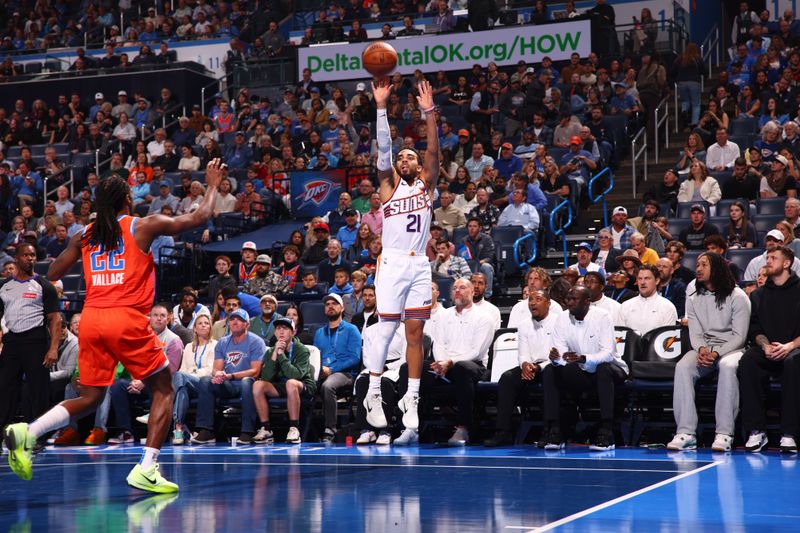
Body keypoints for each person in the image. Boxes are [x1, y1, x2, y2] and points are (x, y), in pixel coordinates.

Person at [5, 161, 223, 492]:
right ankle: (148, 466)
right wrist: (210, 185)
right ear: (127, 200)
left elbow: (51, 275)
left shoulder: (85, 235)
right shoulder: (142, 226)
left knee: (91, 397)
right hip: (126, 318)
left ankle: (29, 432)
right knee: (165, 387)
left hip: (91, 320)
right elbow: (197, 218)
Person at [363, 78, 440, 445]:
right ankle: (373, 390)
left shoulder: (427, 184)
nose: (405, 159)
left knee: (415, 334)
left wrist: (429, 114)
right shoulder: (388, 186)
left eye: (412, 156)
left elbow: (434, 154)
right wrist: (381, 106)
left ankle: (412, 395)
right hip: (392, 263)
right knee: (386, 329)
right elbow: (383, 148)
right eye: (401, 157)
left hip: (419, 264)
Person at [667, 252, 750, 452]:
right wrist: (703, 350)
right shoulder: (693, 294)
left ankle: (724, 433)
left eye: (704, 264)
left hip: (733, 347)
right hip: (703, 347)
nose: (698, 268)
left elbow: (739, 336)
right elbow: (694, 332)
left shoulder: (738, 296)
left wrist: (715, 353)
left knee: (727, 366)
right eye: (697, 264)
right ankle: (686, 432)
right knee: (683, 367)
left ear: (718, 268)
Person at [409, 278, 494, 446]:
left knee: (462, 367)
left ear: (472, 291)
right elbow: (438, 343)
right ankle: (411, 426)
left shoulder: (484, 317)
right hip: (445, 364)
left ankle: (464, 427)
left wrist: (450, 362)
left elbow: (477, 351)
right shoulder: (444, 315)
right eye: (455, 288)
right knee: (411, 367)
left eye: (462, 287)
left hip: (473, 366)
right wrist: (441, 362)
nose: (457, 291)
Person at [543, 285, 628, 451]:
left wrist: (584, 358)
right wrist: (556, 359)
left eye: (574, 299)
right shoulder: (562, 318)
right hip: (579, 369)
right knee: (549, 370)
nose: (569, 303)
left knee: (603, 368)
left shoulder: (603, 316)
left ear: (587, 302)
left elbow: (608, 354)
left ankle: (606, 431)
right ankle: (555, 429)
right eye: (568, 299)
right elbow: (559, 351)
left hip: (611, 368)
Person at [739, 246, 800, 453]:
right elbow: (755, 328)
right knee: (748, 360)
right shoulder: (759, 294)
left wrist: (790, 345)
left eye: (774, 258)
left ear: (787, 263)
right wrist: (764, 345)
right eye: (768, 258)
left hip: (795, 348)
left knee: (793, 363)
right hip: (770, 349)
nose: (768, 261)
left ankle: (789, 433)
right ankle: (756, 430)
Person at [0, 244, 61, 443]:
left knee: (38, 391)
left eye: (33, 255)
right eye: (25, 255)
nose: (30, 258)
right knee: (5, 389)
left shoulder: (44, 285)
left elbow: (54, 319)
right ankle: (3, 435)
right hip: (11, 342)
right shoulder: (4, 286)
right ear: (17, 258)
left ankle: (38, 437)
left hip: (35, 341)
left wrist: (53, 348)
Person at [484, 289, 558, 446]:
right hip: (531, 366)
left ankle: (550, 431)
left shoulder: (559, 322)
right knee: (507, 378)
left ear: (548, 304)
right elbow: (523, 353)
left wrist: (539, 367)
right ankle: (502, 431)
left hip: (552, 366)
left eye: (538, 299)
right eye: (531, 300)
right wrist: (524, 364)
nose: (532, 303)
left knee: (550, 373)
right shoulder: (524, 325)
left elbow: (559, 355)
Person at [191, 308, 266, 444]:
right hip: (229, 385)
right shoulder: (223, 342)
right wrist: (217, 374)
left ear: (247, 324)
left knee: (246, 381)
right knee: (206, 381)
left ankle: (247, 431)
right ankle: (206, 430)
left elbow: (255, 371)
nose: (235, 321)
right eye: (232, 319)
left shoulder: (256, 342)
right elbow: (216, 369)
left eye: (240, 319)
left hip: (247, 384)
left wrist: (231, 375)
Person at [251, 316, 317, 445]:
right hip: (281, 385)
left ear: (293, 332)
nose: (281, 331)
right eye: (278, 329)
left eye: (285, 328)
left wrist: (281, 355)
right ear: (275, 333)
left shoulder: (301, 350)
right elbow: (266, 378)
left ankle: (294, 428)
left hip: (302, 385)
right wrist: (275, 353)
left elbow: (295, 375)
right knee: (258, 385)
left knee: (291, 383)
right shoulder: (271, 351)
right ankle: (266, 429)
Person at [313, 293, 362, 443]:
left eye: (334, 304)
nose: (330, 306)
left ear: (342, 308)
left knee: (329, 385)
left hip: (345, 374)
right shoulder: (319, 332)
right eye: (327, 304)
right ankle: (300, 427)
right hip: (323, 372)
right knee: (299, 385)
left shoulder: (351, 329)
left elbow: (355, 358)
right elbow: (315, 356)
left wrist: (331, 370)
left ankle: (330, 428)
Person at [354, 321, 407, 445]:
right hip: (374, 365)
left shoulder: (405, 330)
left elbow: (406, 357)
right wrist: (376, 368)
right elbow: (366, 358)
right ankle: (366, 429)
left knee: (384, 382)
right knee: (362, 381)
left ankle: (386, 430)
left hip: (395, 367)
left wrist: (387, 367)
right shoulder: (370, 330)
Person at [171, 312, 216, 445]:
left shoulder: (215, 345)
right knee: (181, 390)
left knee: (179, 377)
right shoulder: (188, 347)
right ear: (194, 328)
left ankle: (171, 419)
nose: (203, 326)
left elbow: (210, 370)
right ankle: (179, 427)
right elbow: (182, 369)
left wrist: (191, 375)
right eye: (200, 323)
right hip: (187, 383)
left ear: (210, 327)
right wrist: (187, 375)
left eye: (206, 323)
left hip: (205, 384)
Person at [618, 265, 678, 335]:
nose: (642, 282)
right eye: (640, 279)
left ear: (657, 281)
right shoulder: (625, 306)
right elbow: (620, 337)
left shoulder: (668, 307)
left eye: (647, 278)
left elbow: (668, 338)